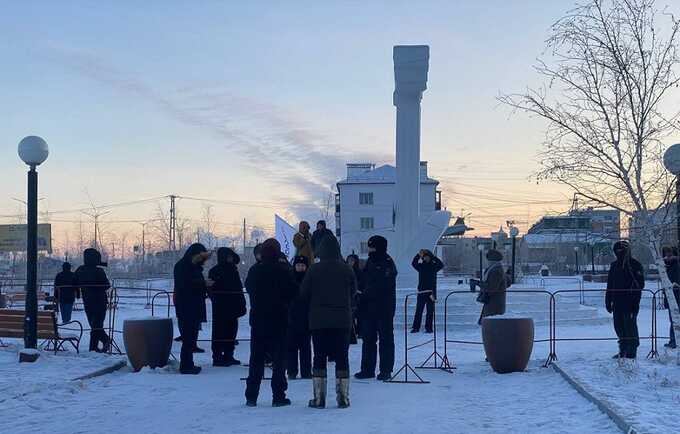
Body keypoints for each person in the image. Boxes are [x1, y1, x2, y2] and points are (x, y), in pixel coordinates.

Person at [301, 236, 356, 409]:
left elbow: (304, 293)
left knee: (319, 356)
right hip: (342, 321)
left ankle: (319, 399)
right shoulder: (347, 269)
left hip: (319, 321)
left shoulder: (313, 270)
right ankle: (343, 398)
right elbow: (353, 291)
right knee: (342, 357)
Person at [244, 238, 297, 407]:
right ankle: (278, 396)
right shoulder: (283, 270)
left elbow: (248, 287)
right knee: (279, 360)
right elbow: (294, 291)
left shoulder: (254, 270)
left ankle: (251, 396)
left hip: (258, 320)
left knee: (256, 359)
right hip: (279, 319)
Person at [355, 235, 398, 381]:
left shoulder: (387, 263)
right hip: (368, 308)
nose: (370, 250)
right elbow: (364, 281)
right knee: (368, 339)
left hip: (384, 308)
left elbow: (383, 285)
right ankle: (367, 369)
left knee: (385, 339)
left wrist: (366, 293)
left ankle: (386, 370)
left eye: (372, 247)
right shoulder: (370, 262)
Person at [174, 243, 212, 374]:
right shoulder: (182, 267)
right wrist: (203, 283)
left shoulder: (194, 267)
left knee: (191, 336)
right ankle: (186, 365)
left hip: (194, 305)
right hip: (186, 306)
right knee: (188, 337)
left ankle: (188, 363)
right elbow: (184, 285)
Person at [208, 247, 247, 367]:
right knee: (219, 331)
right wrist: (217, 299)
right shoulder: (215, 271)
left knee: (231, 331)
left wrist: (241, 303)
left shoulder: (233, 270)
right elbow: (210, 289)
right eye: (228, 256)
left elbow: (238, 288)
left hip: (233, 306)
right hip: (220, 307)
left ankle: (229, 355)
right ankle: (218, 357)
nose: (230, 258)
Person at [606, 240, 644, 359]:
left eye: (621, 250)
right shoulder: (614, 265)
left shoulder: (635, 264)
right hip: (617, 303)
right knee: (619, 326)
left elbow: (640, 285)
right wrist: (608, 301)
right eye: (617, 250)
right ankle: (623, 349)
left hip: (630, 303)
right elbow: (610, 284)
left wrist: (634, 302)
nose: (619, 252)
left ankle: (632, 350)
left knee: (630, 326)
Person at [75, 249, 111, 352]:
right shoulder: (99, 271)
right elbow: (106, 285)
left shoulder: (80, 270)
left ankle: (94, 348)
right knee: (96, 325)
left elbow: (74, 282)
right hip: (99, 302)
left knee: (94, 325)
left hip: (89, 302)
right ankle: (103, 341)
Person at [287, 255, 312, 380]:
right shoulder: (290, 279)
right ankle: (292, 371)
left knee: (305, 347)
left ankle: (306, 371)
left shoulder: (310, 280)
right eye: (298, 265)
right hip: (291, 317)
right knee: (291, 347)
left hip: (306, 317)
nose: (300, 268)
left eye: (303, 266)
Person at [410, 250, 444, 333]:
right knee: (419, 310)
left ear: (430, 257)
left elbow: (441, 264)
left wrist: (433, 257)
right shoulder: (421, 266)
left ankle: (428, 328)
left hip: (431, 292)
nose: (426, 258)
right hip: (422, 291)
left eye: (428, 257)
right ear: (423, 258)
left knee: (430, 311)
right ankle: (415, 327)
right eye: (424, 257)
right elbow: (413, 263)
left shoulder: (434, 266)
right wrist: (418, 255)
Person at [477, 249, 507, 325]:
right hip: (492, 302)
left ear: (492, 260)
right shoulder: (494, 269)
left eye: (488, 260)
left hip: (494, 304)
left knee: (491, 325)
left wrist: (478, 283)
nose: (487, 262)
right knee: (489, 325)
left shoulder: (496, 271)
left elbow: (491, 288)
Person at [662, 246, 680, 349]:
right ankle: (673, 340)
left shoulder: (674, 265)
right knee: (674, 319)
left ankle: (674, 340)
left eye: (669, 253)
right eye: (666, 254)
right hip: (671, 297)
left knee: (675, 319)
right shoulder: (667, 266)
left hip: (675, 296)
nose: (667, 256)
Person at [346, 254, 364, 339]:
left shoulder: (359, 272)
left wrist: (358, 289)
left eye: (352, 260)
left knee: (359, 315)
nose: (350, 262)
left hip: (358, 296)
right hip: (348, 296)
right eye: (349, 260)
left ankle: (360, 331)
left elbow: (362, 282)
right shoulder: (345, 271)